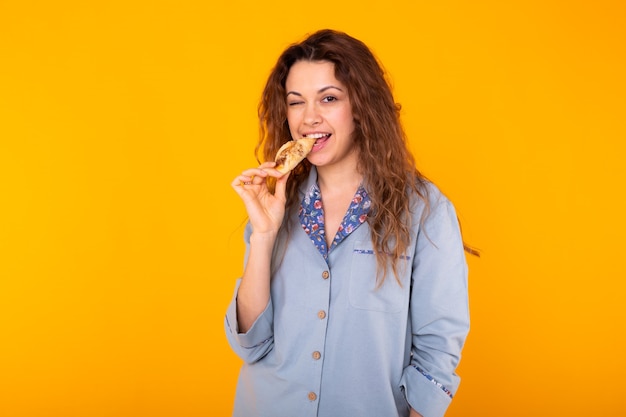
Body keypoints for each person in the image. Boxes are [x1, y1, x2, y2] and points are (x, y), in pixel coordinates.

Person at [225, 29, 471, 417]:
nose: (309, 118)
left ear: (361, 106)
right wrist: (264, 236)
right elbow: (250, 344)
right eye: (296, 102)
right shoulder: (274, 206)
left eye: (329, 98)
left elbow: (438, 348)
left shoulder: (424, 209)